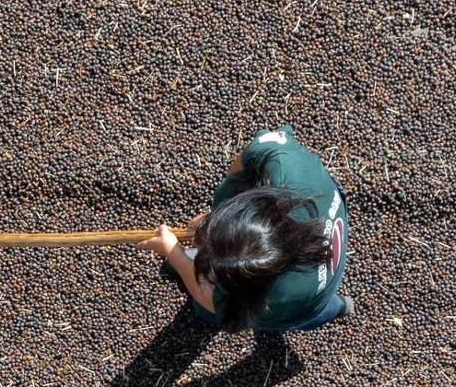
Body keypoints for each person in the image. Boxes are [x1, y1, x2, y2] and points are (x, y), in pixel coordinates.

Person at [148, 126, 351, 333]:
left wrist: (174, 253)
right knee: (322, 302)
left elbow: (210, 301)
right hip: (330, 223)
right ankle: (340, 305)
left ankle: (335, 307)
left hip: (306, 301)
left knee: (205, 310)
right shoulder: (280, 162)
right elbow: (247, 157)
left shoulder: (278, 297)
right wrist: (213, 220)